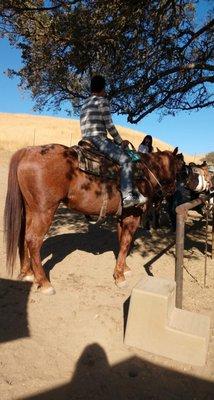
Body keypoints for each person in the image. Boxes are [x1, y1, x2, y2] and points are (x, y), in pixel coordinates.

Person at [80, 75, 147, 208]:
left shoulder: (85, 104)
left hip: (85, 139)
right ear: (102, 88)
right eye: (105, 88)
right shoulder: (101, 101)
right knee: (126, 160)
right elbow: (109, 125)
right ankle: (127, 195)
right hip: (98, 140)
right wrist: (119, 141)